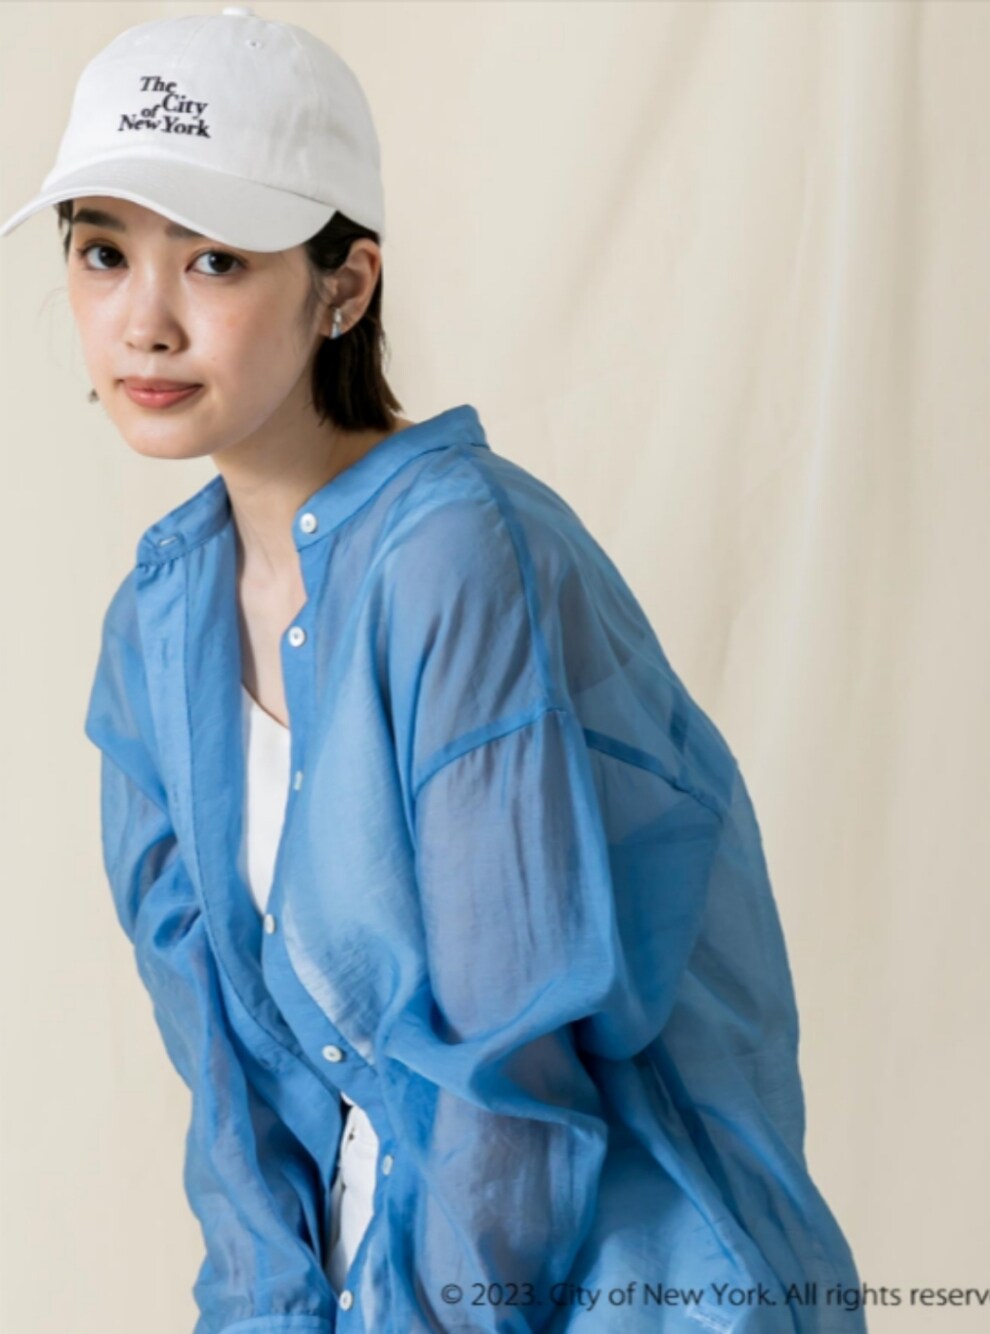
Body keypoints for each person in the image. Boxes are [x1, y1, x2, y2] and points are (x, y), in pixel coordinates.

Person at [1, 7, 867, 1333]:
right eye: (103, 252)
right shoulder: (157, 628)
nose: (145, 323)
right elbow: (232, 1101)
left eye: (216, 258)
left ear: (344, 287)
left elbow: (507, 1083)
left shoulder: (454, 554)